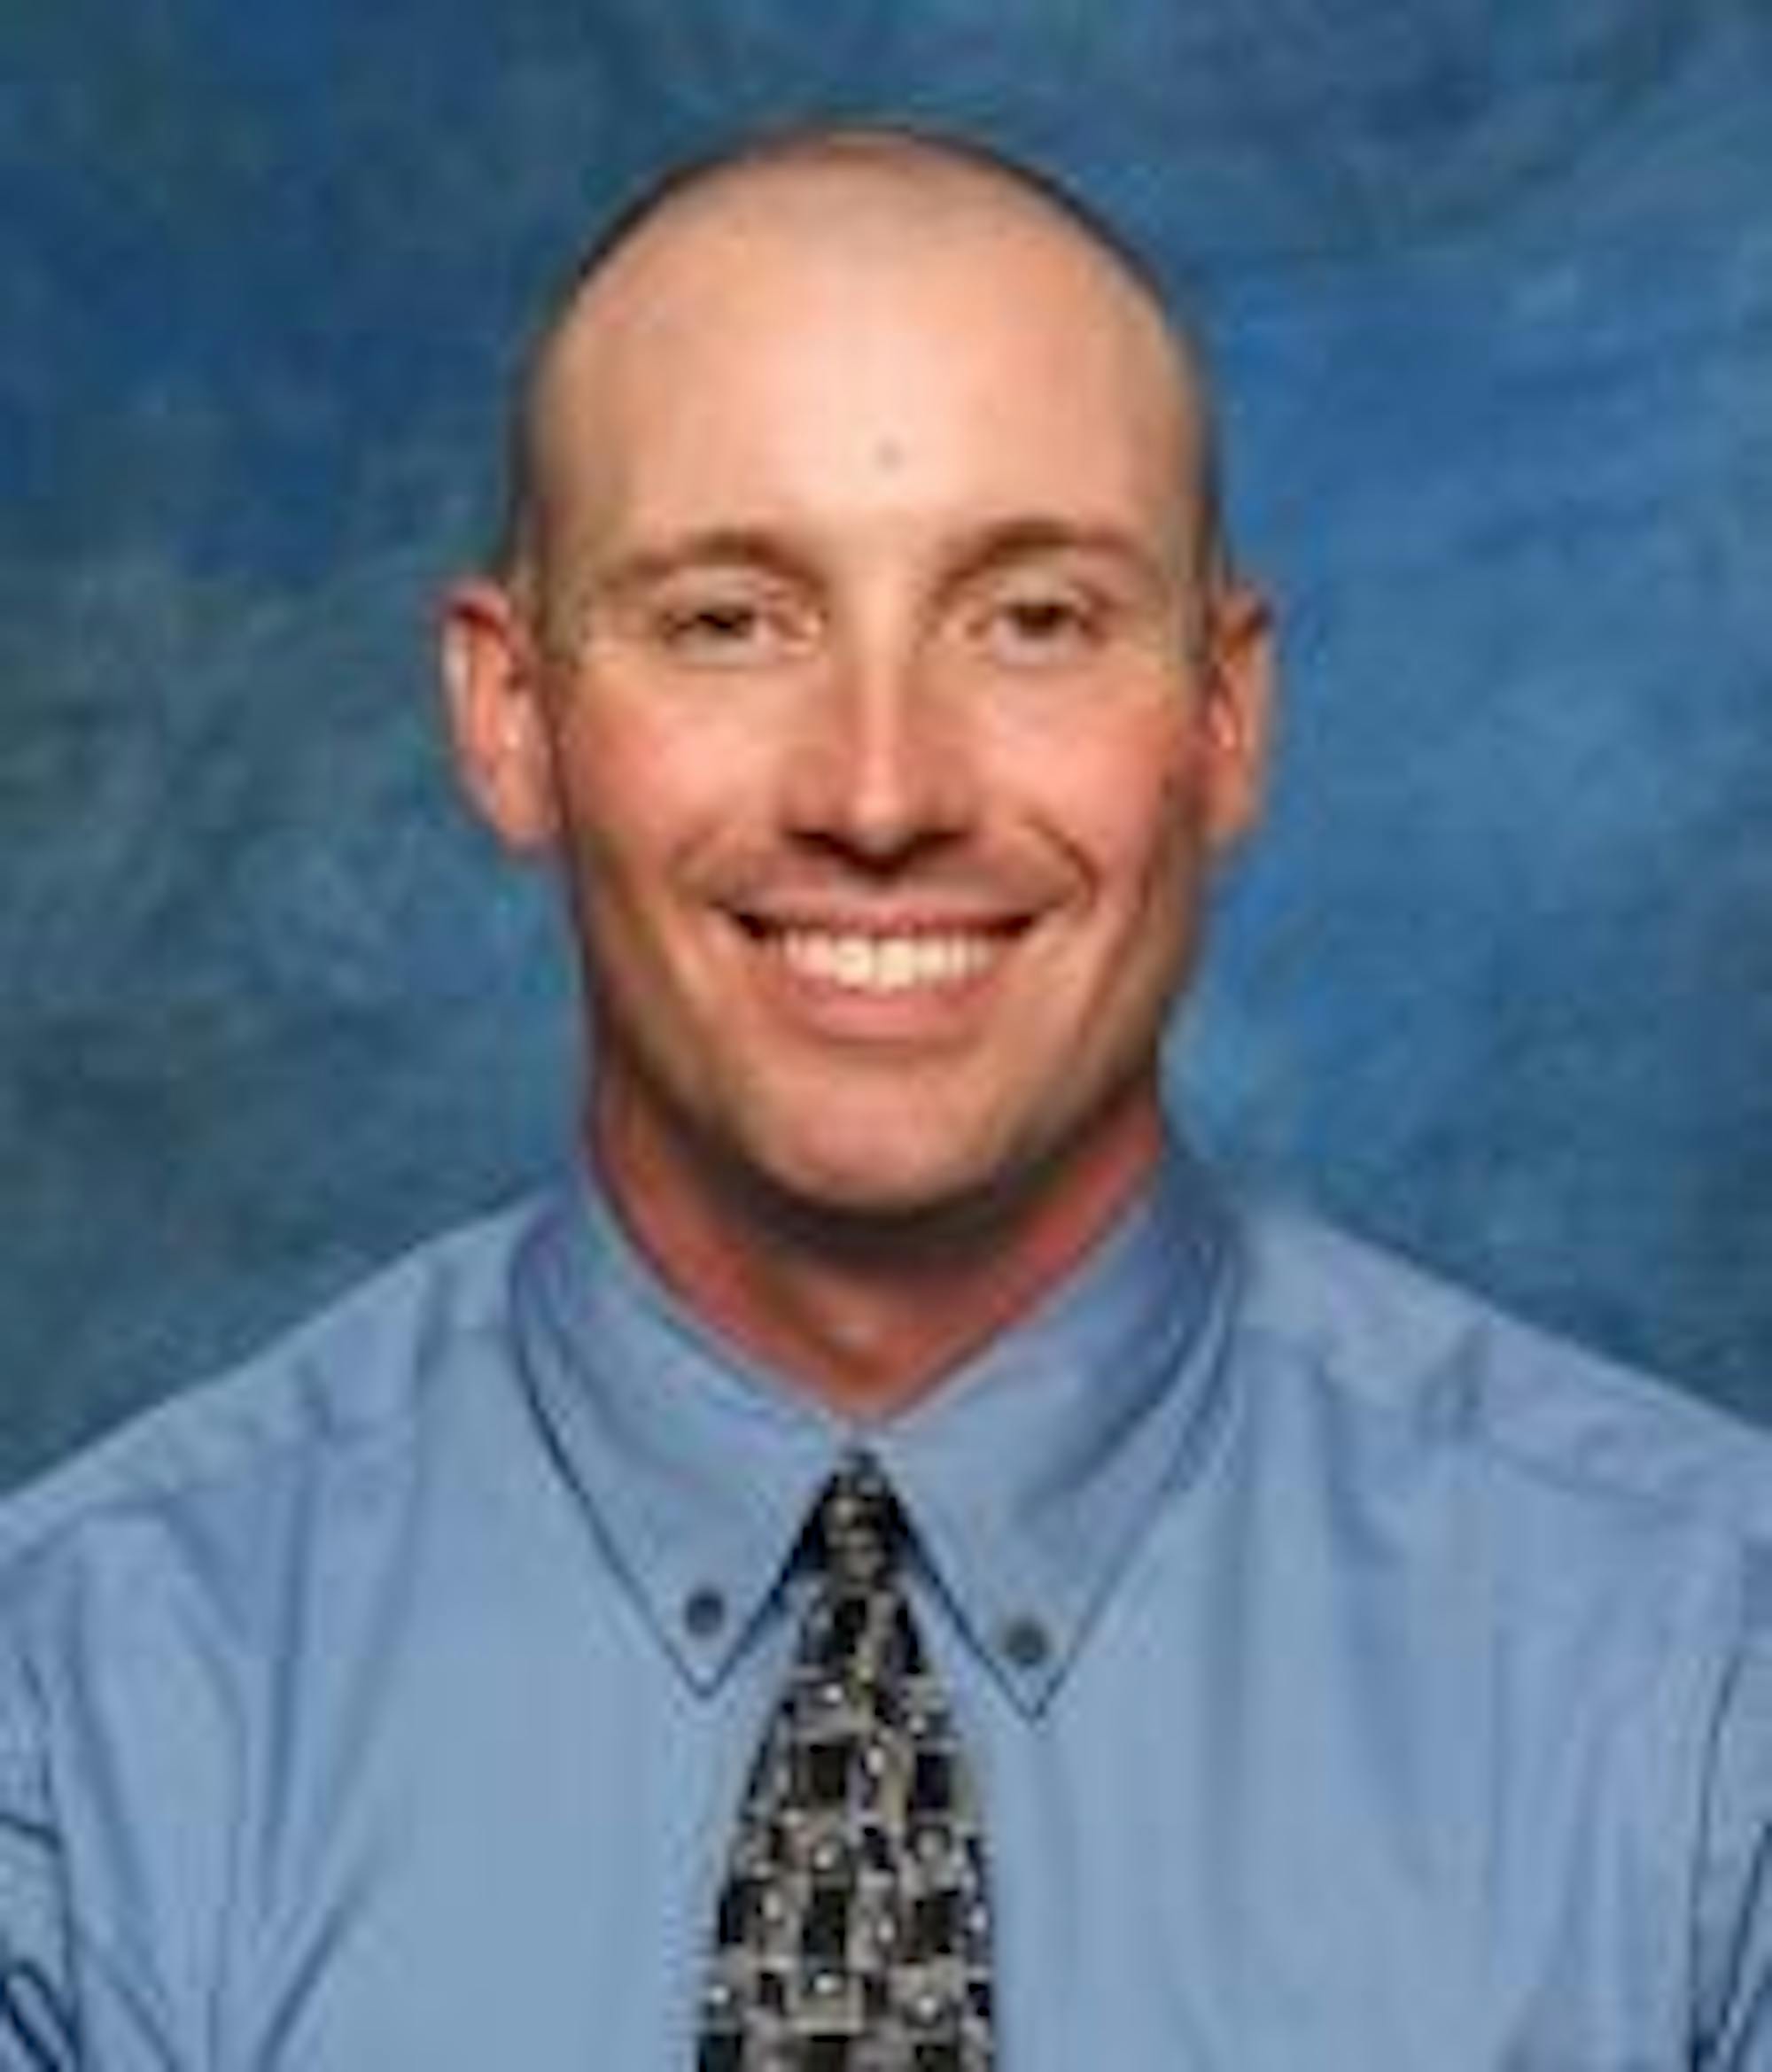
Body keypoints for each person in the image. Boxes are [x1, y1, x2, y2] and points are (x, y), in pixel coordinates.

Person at [2, 121, 1768, 2071]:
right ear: (510, 718)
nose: (878, 791)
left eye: (1034, 618)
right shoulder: (76, 1724)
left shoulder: (1708, 1694)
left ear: (1223, 719)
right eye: (728, 620)